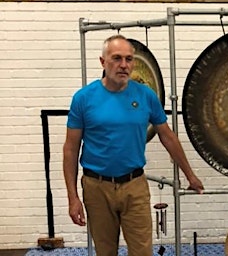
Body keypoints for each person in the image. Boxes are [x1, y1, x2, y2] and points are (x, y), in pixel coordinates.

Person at [63, 34, 204, 256]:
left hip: (135, 186)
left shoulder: (146, 96)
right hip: (96, 187)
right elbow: (70, 149)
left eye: (129, 59)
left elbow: (167, 136)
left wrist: (190, 174)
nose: (123, 65)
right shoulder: (83, 98)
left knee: (142, 252)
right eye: (117, 58)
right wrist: (73, 197)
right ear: (103, 62)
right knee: (105, 251)